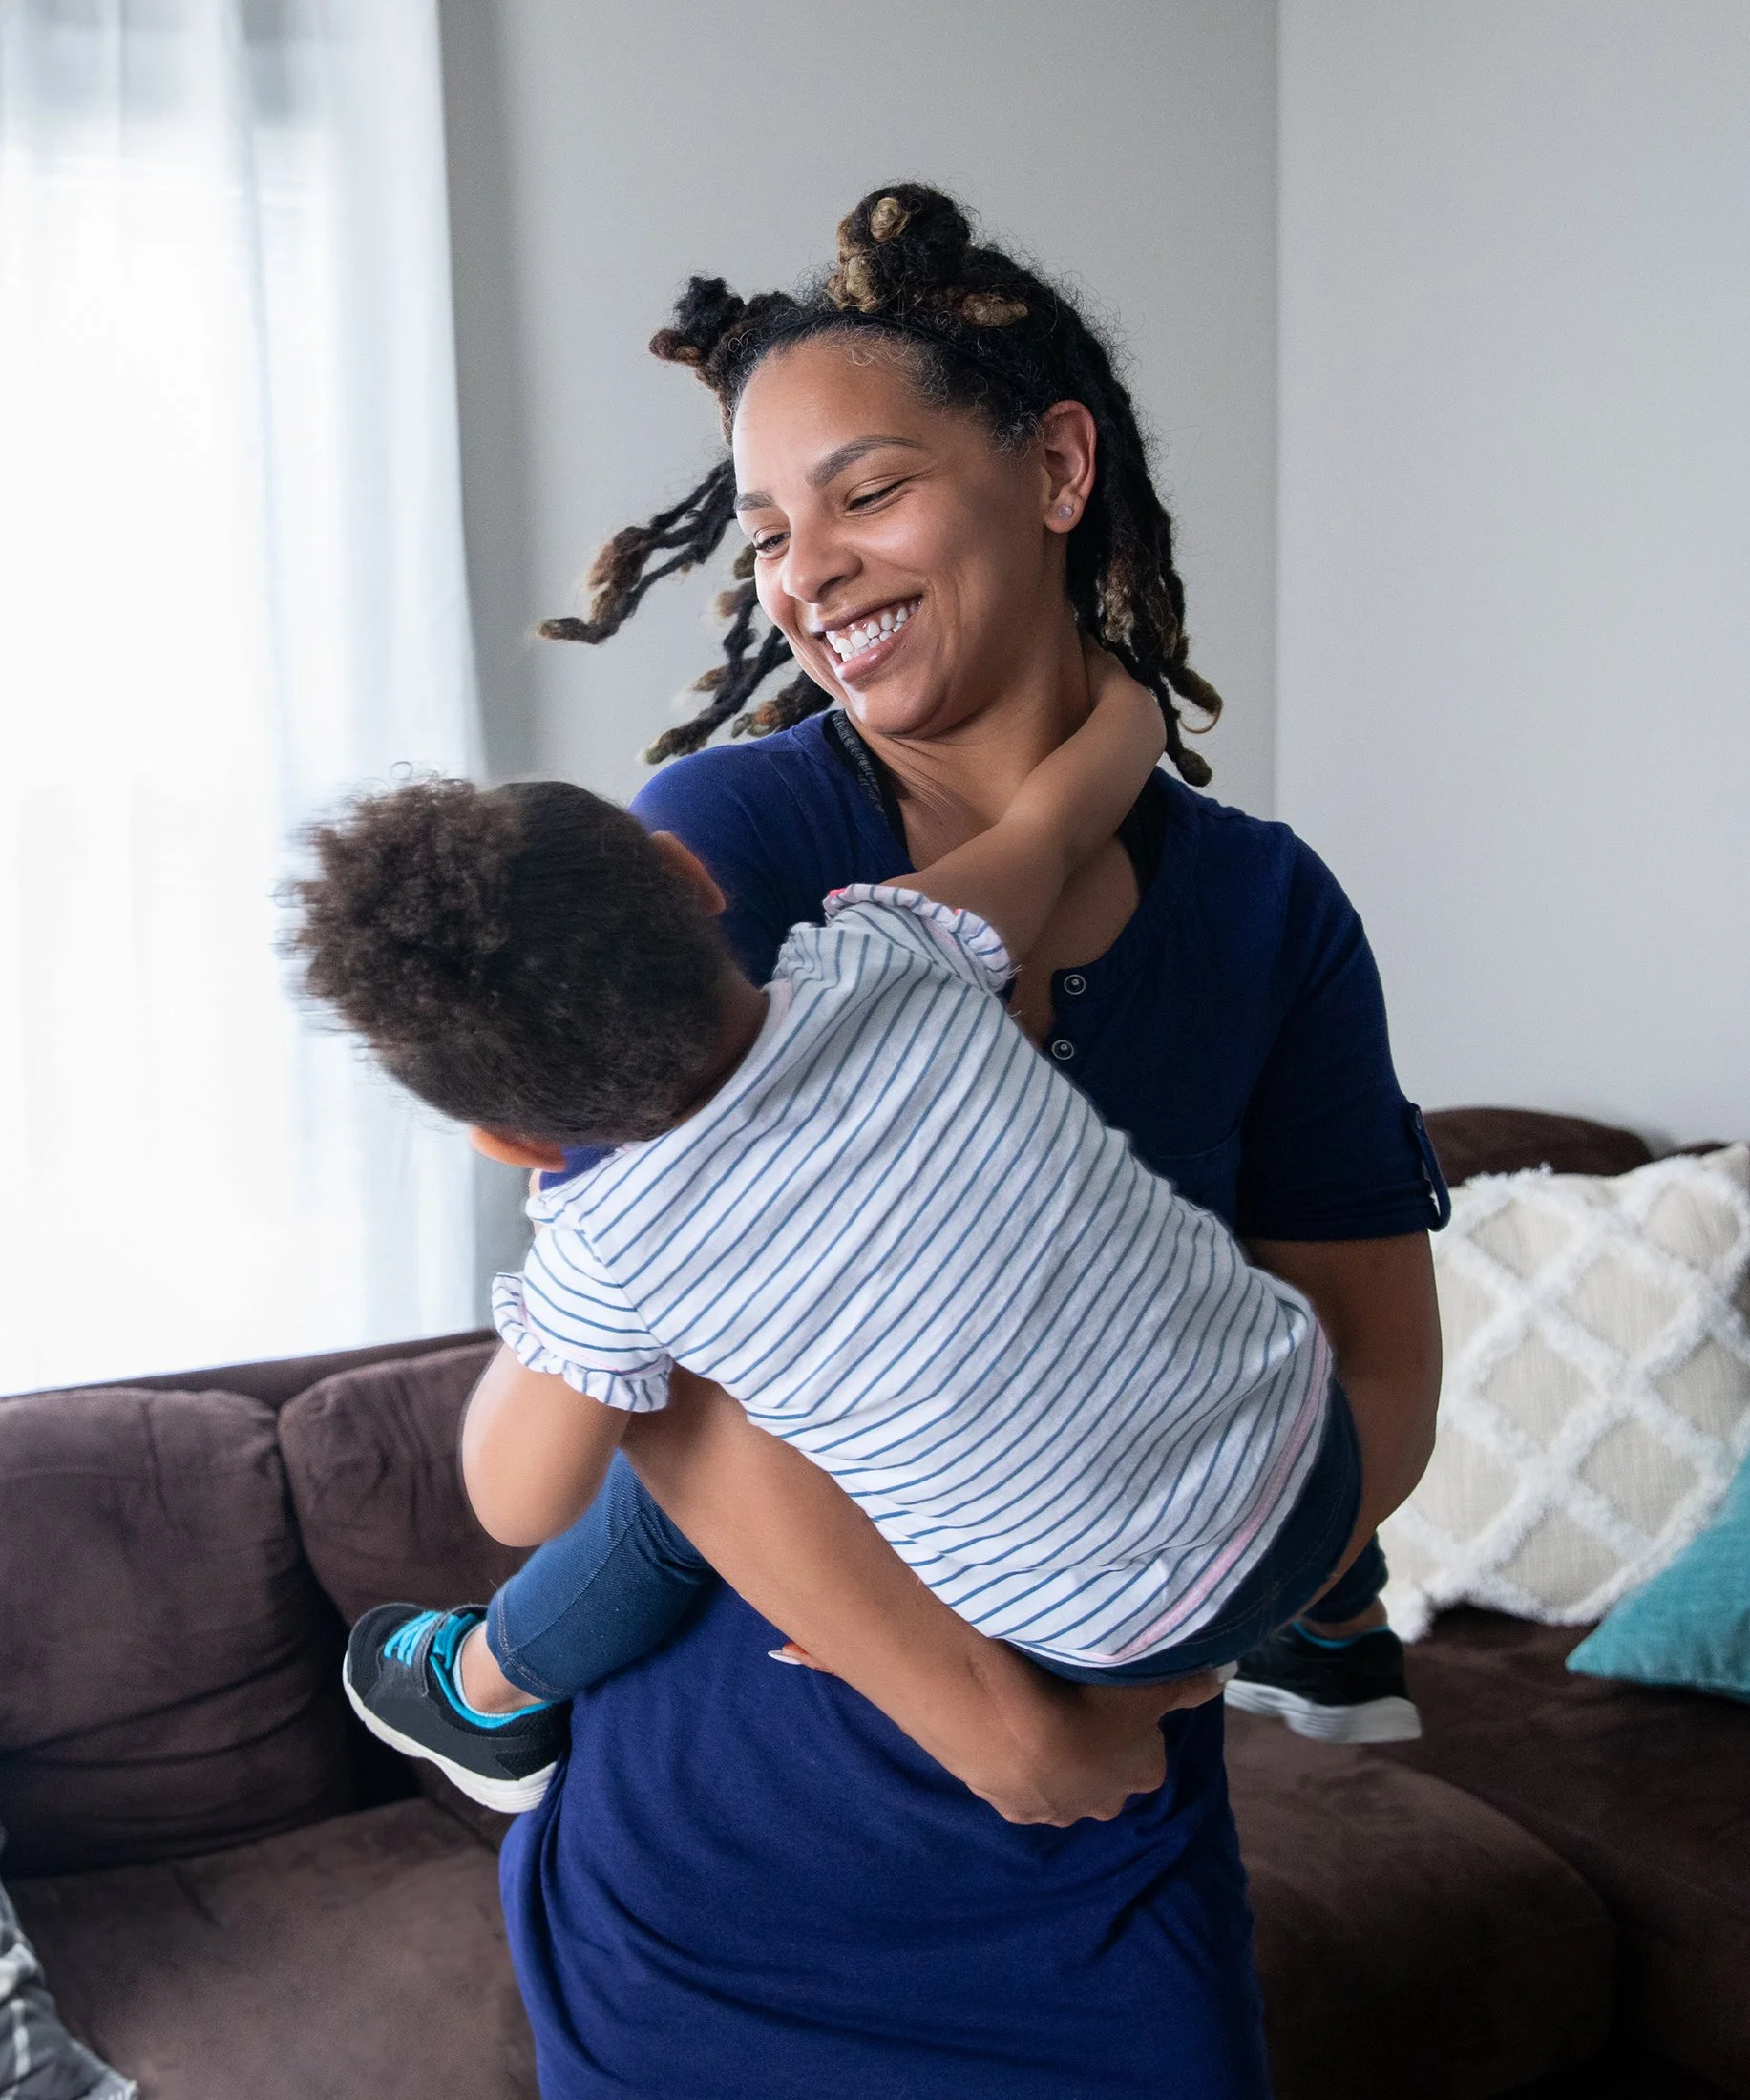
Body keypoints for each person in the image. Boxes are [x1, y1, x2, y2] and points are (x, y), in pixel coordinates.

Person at [356, 186, 1449, 2095]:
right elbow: (673, 1414)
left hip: (1102, 1890)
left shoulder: (1263, 909)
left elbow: (1378, 1365)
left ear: (1055, 468)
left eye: (863, 492)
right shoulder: (734, 839)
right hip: (710, 1886)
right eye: (768, 532)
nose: (805, 571)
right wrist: (996, 1724)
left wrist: (1203, 1624)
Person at [303, 640, 1411, 1821]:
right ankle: (1331, 1629)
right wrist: (1129, 710)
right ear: (692, 878)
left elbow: (516, 1504)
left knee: (687, 1420)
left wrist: (556, 1250)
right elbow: (1053, 828)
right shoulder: (893, 953)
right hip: (1317, 1464)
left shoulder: (613, 1252)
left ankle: (478, 1691)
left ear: (512, 1140)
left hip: (1101, 1637)